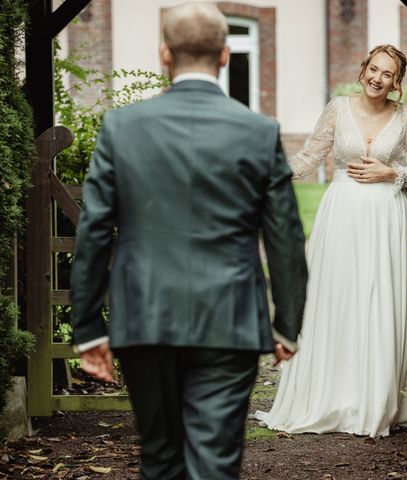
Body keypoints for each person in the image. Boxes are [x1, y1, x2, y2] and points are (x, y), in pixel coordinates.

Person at [70, 3, 307, 479]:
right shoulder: (259, 132)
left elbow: (95, 228)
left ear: (164, 54)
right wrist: (287, 323)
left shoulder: (121, 128)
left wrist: (89, 326)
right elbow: (285, 234)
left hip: (145, 315)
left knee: (159, 457)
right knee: (215, 462)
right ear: (224, 56)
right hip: (230, 318)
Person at [257, 45, 407, 438]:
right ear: (363, 68)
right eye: (374, 69)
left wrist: (391, 172)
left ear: (397, 82)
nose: (378, 78)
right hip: (341, 217)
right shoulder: (338, 108)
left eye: (388, 74)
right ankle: (331, 397)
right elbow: (308, 157)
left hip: (387, 219)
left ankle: (374, 402)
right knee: (334, 299)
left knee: (380, 301)